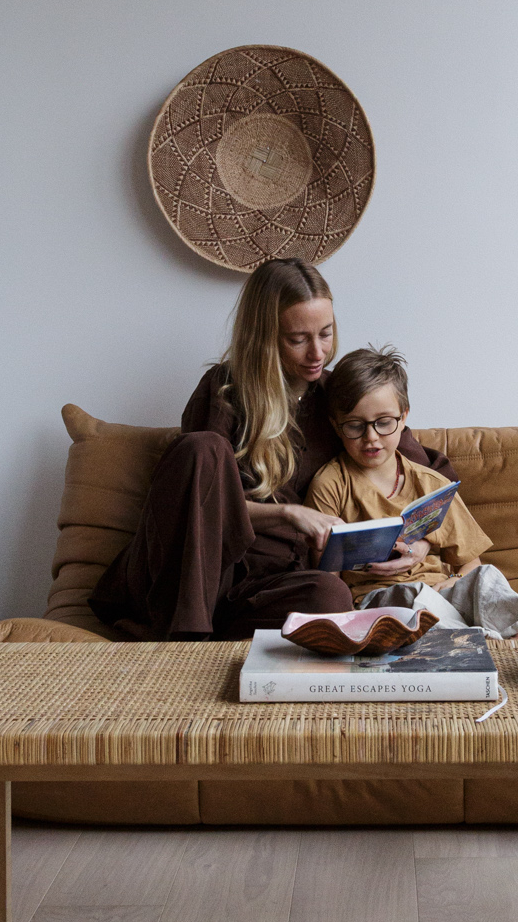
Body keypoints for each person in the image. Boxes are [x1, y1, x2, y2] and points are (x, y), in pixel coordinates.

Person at [89, 259, 445, 639]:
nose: (317, 353)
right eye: (298, 339)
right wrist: (289, 514)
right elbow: (198, 503)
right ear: (264, 336)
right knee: (202, 448)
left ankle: (208, 634)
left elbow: (434, 475)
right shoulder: (224, 390)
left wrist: (421, 543)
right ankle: (185, 637)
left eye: (326, 334)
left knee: (330, 596)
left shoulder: (338, 396)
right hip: (203, 570)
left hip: (267, 587)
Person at [306, 344, 518, 638]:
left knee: (486, 577)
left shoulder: (432, 485)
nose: (371, 437)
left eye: (384, 423)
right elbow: (328, 577)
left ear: (403, 417)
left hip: (441, 591)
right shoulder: (330, 485)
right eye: (355, 426)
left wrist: (453, 580)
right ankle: (493, 640)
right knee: (416, 599)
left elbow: (471, 563)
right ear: (335, 424)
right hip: (381, 601)